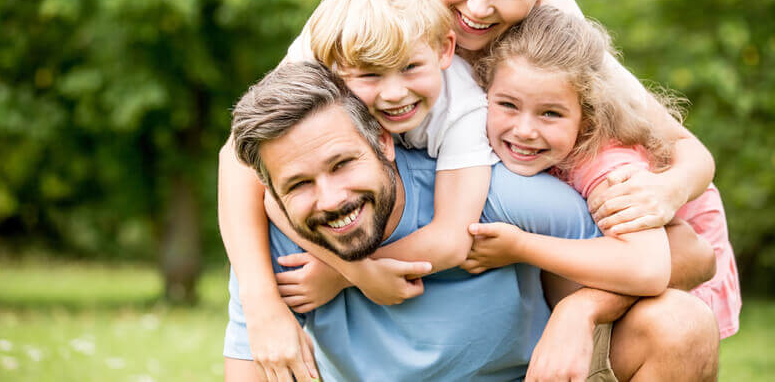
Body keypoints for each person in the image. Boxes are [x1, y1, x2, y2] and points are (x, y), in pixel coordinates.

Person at [217, 0, 717, 377]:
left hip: (592, 203)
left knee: (678, 310)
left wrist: (668, 191)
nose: (478, 7)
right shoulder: (374, 11)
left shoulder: (550, 45)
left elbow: (689, 201)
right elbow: (247, 151)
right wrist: (272, 302)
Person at [225, 61, 719, 381]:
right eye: (299, 184)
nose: (331, 199)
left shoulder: (492, 191)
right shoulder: (272, 247)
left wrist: (581, 309)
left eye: (341, 164)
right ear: (270, 191)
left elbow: (690, 256)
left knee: (680, 323)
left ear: (383, 141)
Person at [466, 5, 741, 338]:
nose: (524, 130)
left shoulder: (606, 165)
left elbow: (647, 270)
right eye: (508, 105)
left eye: (550, 114)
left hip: (683, 270)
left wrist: (519, 246)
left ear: (588, 118)